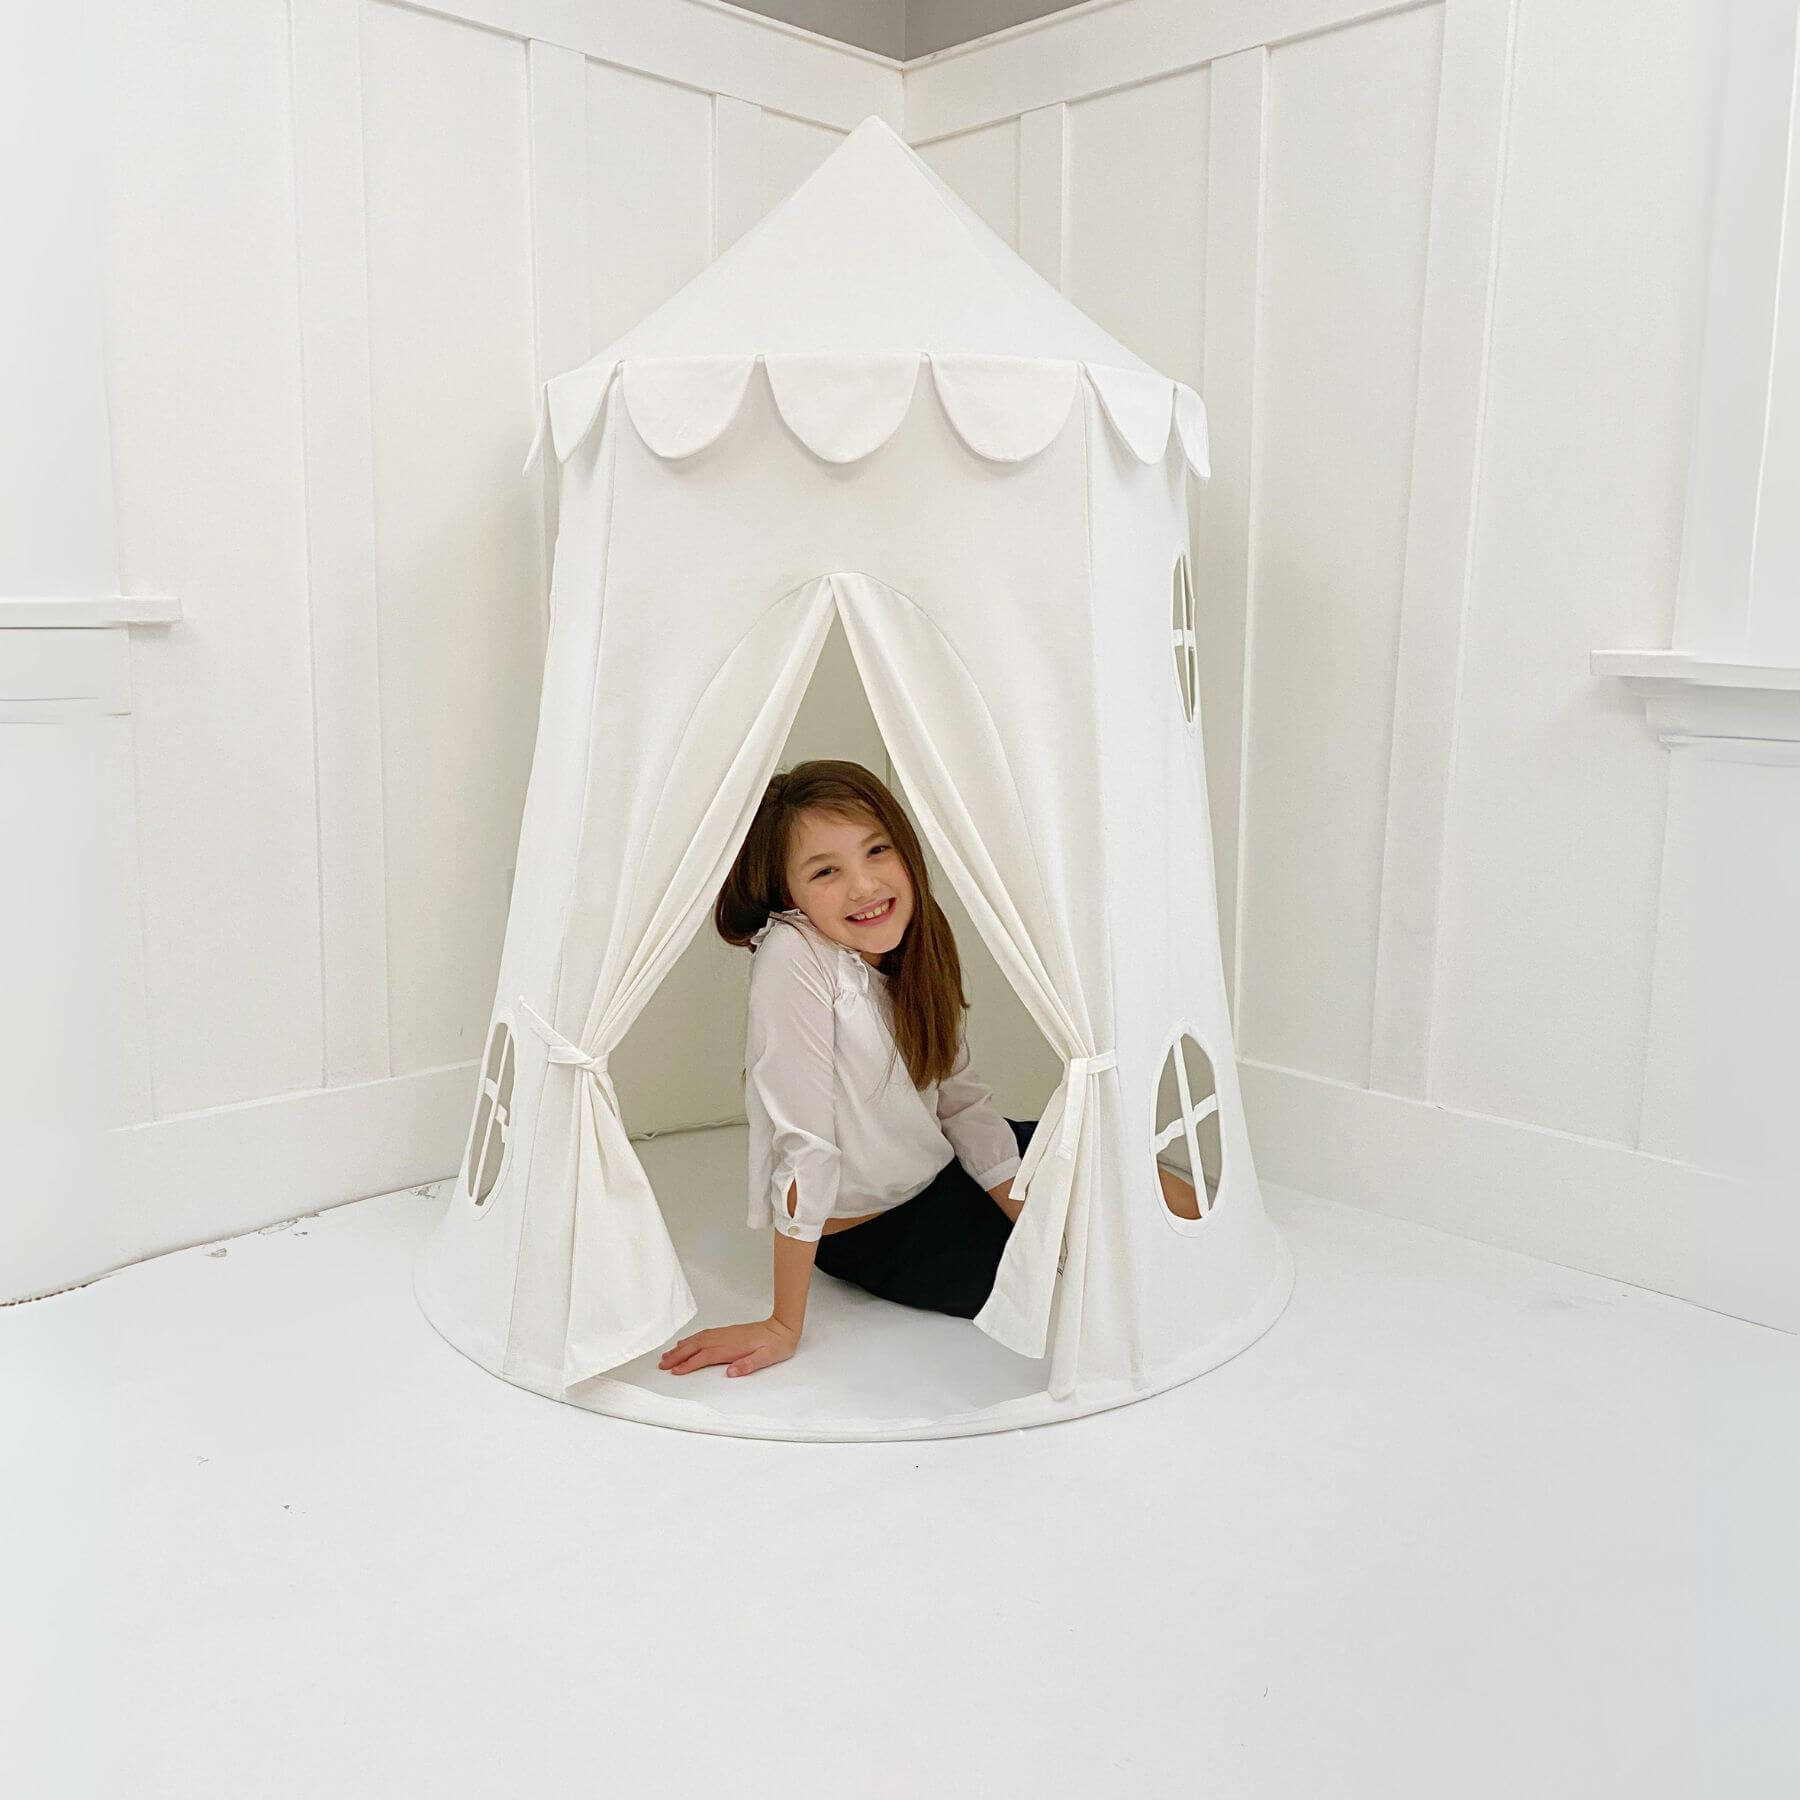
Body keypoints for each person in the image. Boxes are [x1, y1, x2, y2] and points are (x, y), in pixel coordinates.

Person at [657, 759, 1199, 1383]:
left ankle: (1190, 1260)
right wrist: (784, 1324)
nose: (864, 886)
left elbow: (962, 1106)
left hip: (945, 1166)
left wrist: (1027, 1208)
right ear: (789, 898)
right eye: (826, 871)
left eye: (877, 850)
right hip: (879, 1230)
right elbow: (804, 1147)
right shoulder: (793, 955)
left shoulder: (918, 946)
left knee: (1150, 1192)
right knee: (1103, 1281)